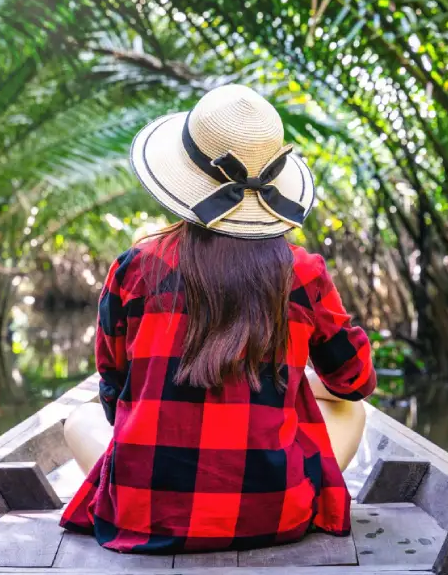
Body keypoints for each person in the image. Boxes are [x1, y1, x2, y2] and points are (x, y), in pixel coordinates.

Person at [59, 84, 376, 554]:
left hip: (145, 517)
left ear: (186, 177)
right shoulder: (303, 273)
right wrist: (300, 382)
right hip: (275, 515)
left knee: (76, 421)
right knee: (353, 410)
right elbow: (356, 382)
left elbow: (114, 390)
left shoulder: (136, 267)